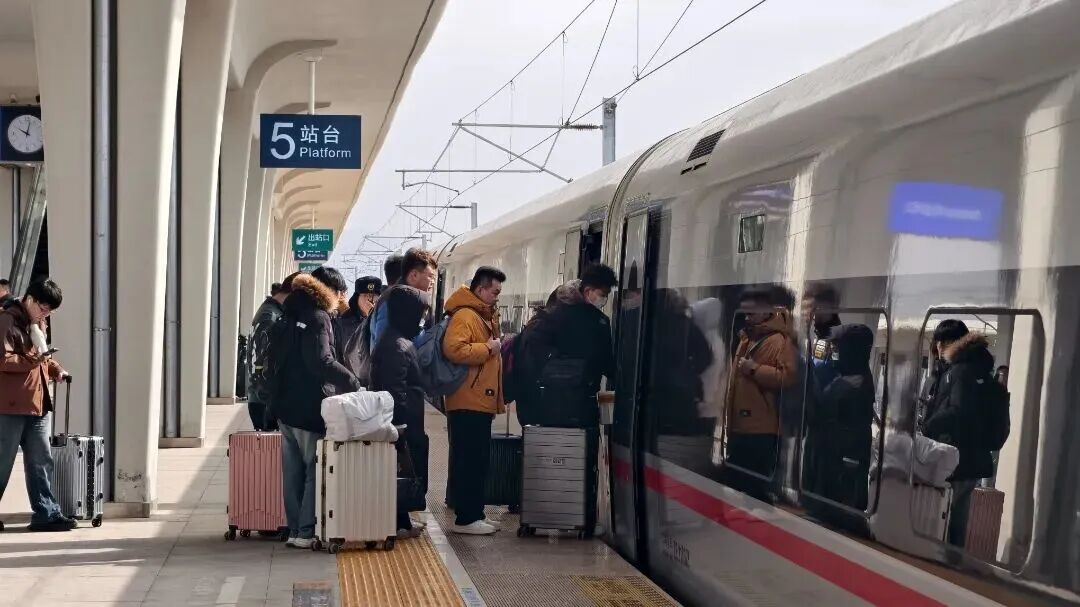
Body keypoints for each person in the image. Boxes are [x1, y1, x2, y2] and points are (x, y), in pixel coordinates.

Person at [272, 268, 362, 548]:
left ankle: (294, 529)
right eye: (340, 292)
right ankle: (306, 531)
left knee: (292, 472)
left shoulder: (288, 312)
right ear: (329, 291)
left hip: (284, 405)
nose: (342, 298)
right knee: (314, 468)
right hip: (308, 404)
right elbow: (322, 361)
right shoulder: (318, 316)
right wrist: (352, 381)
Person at [0, 278, 75, 532]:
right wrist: (35, 360)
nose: (46, 314)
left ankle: (47, 514)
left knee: (41, 461)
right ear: (29, 299)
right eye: (43, 308)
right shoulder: (6, 320)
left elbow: (42, 356)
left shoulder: (37, 323)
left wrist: (55, 368)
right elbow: (4, 360)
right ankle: (46, 513)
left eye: (50, 311)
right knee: (2, 462)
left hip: (38, 403)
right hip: (9, 407)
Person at [921, 319, 996, 549]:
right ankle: (951, 559)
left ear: (947, 343)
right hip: (970, 457)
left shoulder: (960, 371)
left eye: (939, 343)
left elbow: (958, 411)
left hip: (956, 458)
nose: (937, 348)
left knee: (947, 520)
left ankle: (947, 563)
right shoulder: (976, 368)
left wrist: (929, 425)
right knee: (956, 520)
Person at [443, 266, 505, 535]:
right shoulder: (466, 315)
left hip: (476, 398)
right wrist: (489, 348)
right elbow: (454, 349)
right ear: (480, 289)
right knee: (470, 460)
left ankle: (474, 513)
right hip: (467, 399)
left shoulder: (481, 315)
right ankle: (466, 518)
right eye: (495, 292)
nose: (497, 297)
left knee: (477, 460)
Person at [516, 264, 617, 428]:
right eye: (603, 294)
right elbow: (607, 364)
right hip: (583, 405)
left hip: (548, 405)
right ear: (587, 291)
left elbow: (530, 361)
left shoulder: (549, 315)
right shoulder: (600, 322)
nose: (604, 299)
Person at [371, 285, 431, 539]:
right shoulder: (396, 346)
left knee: (404, 472)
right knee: (401, 473)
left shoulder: (396, 340)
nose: (422, 319)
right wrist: (400, 426)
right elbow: (395, 389)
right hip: (403, 423)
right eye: (420, 313)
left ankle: (402, 521)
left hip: (406, 421)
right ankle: (397, 523)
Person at [724, 289, 796, 491]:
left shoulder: (779, 340)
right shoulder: (747, 338)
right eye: (745, 313)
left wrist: (755, 369)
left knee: (753, 487)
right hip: (741, 427)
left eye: (751, 313)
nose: (747, 318)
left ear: (766, 311)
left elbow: (788, 378)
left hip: (760, 431)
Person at [803, 324, 875, 511]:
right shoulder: (851, 377)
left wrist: (809, 378)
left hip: (838, 471)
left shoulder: (852, 384)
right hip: (832, 466)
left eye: (837, 348)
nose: (834, 353)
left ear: (850, 351)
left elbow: (819, 412)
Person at [247, 274, 299, 431]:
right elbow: (260, 359)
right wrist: (270, 397)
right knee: (268, 444)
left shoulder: (272, 311)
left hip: (263, 397)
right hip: (264, 400)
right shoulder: (270, 316)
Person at [370, 248, 437, 349]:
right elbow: (385, 347)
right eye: (431, 276)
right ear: (414, 275)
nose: (433, 282)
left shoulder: (414, 301)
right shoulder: (393, 300)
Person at [337, 275, 382, 375]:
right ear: (357, 298)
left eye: (374, 296)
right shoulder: (343, 321)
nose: (370, 300)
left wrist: (372, 315)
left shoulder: (383, 321)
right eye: (365, 295)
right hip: (350, 378)